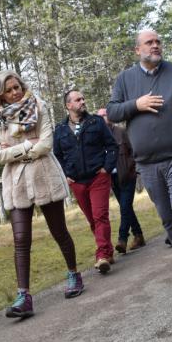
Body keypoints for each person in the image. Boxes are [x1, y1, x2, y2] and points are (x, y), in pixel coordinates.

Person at [107, 29, 172, 288]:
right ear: (137, 50)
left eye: (158, 42)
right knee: (167, 215)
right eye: (149, 43)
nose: (156, 46)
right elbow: (113, 111)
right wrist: (136, 105)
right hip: (148, 162)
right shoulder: (125, 80)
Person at [0, 70, 83, 319]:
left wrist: (17, 149)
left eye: (17, 86)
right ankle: (24, 297)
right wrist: (28, 146)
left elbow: (46, 144)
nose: (15, 92)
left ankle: (74, 274)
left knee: (59, 231)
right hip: (16, 182)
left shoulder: (39, 106)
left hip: (44, 176)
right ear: (2, 94)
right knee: (21, 239)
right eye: (9, 90)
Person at [53, 90, 117, 274]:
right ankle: (108, 250)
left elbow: (112, 146)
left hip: (98, 177)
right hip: (77, 182)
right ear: (68, 105)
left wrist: (106, 168)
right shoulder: (60, 130)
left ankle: (102, 255)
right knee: (92, 220)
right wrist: (65, 173)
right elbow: (57, 156)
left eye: (83, 98)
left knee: (100, 216)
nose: (83, 101)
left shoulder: (96, 122)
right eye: (78, 99)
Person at [96, 108, 146, 254]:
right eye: (100, 116)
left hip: (127, 176)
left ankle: (122, 239)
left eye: (105, 115)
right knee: (127, 208)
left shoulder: (121, 131)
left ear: (110, 117)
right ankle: (138, 235)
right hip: (112, 179)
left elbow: (133, 151)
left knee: (124, 208)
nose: (103, 118)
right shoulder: (98, 137)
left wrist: (133, 168)